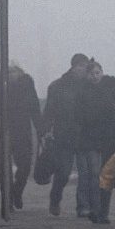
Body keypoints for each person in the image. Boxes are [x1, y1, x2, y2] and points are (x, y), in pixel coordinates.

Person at [41, 53, 91, 217]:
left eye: (85, 66)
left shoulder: (90, 86)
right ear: (73, 66)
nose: (82, 69)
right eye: (80, 66)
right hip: (64, 134)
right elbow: (49, 111)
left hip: (85, 134)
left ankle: (83, 206)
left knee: (86, 173)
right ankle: (55, 198)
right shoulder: (58, 86)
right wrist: (45, 130)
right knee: (63, 172)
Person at [77, 60, 115, 224]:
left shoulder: (112, 88)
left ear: (102, 72)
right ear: (87, 75)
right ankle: (95, 209)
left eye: (97, 73)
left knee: (106, 175)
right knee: (94, 174)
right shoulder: (82, 92)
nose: (95, 76)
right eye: (91, 74)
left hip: (109, 139)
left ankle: (103, 212)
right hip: (90, 139)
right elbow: (79, 116)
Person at [0, 63, 41, 210]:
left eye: (14, 72)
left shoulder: (26, 86)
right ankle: (6, 200)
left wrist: (41, 129)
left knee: (25, 166)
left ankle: (16, 191)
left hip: (22, 131)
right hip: (1, 131)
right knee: (3, 169)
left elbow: (34, 107)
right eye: (8, 72)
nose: (11, 74)